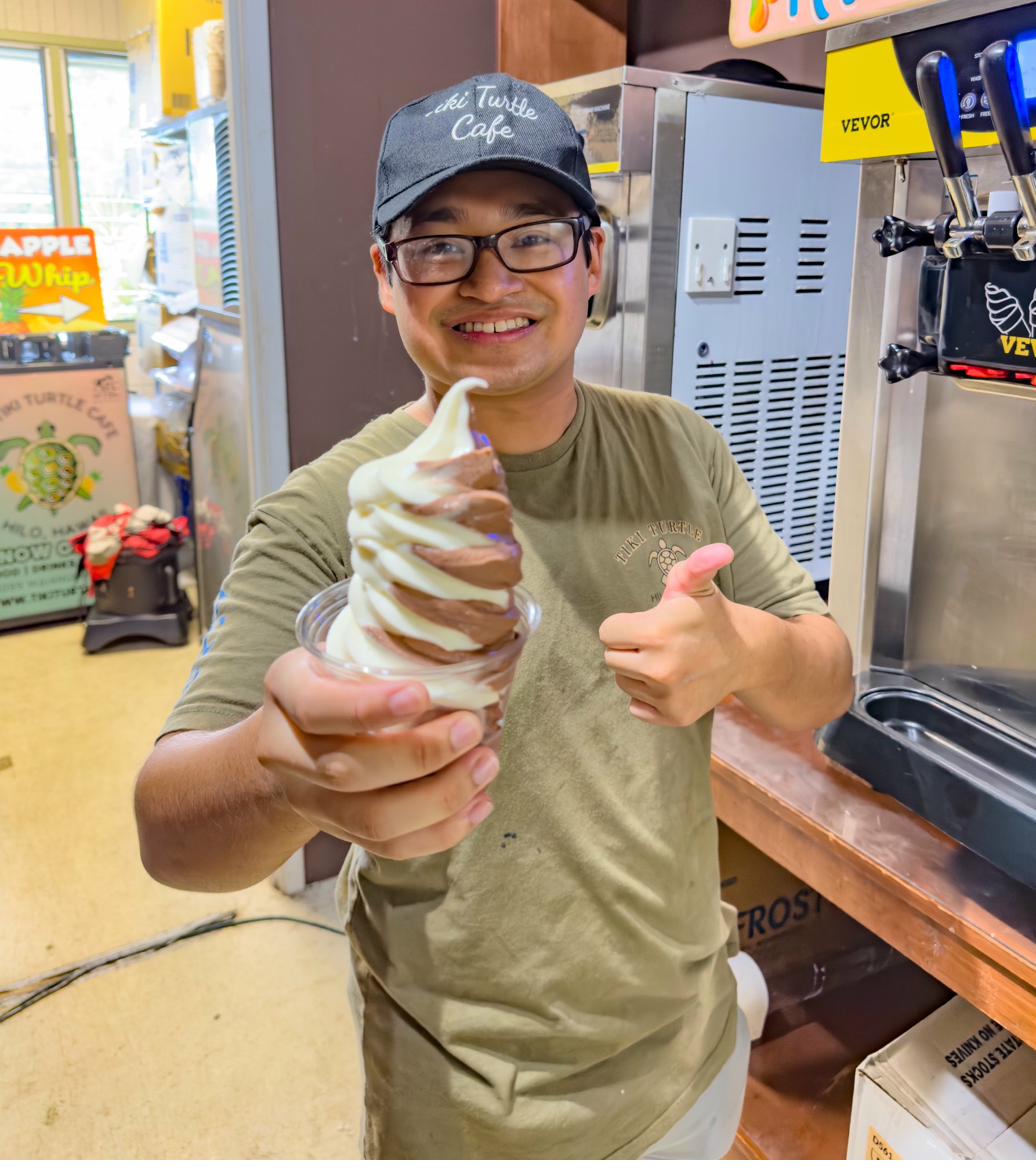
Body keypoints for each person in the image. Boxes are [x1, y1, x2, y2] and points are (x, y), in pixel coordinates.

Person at [134, 72, 854, 1160]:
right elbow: (168, 831)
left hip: (691, 1047)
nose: (488, 279)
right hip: (473, 1103)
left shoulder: (677, 449)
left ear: (593, 260)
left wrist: (742, 647)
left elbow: (828, 679)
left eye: (531, 236)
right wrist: (287, 768)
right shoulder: (338, 511)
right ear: (387, 276)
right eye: (439, 244)